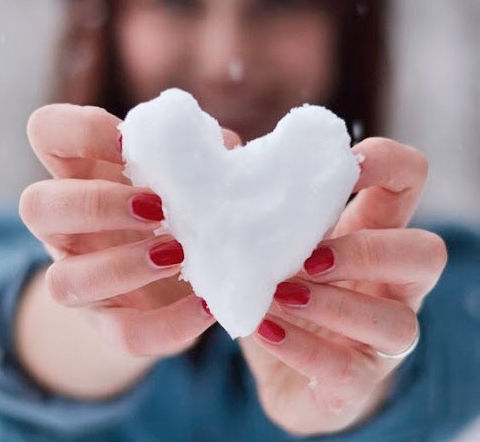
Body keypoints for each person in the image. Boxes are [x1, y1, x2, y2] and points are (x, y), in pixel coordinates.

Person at [0, 0, 478, 440]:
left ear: (346, 29)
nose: (226, 61)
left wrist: (361, 376)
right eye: (177, 4)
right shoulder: (14, 246)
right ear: (110, 19)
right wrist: (94, 319)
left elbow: (459, 351)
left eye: (277, 6)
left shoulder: (443, 275)